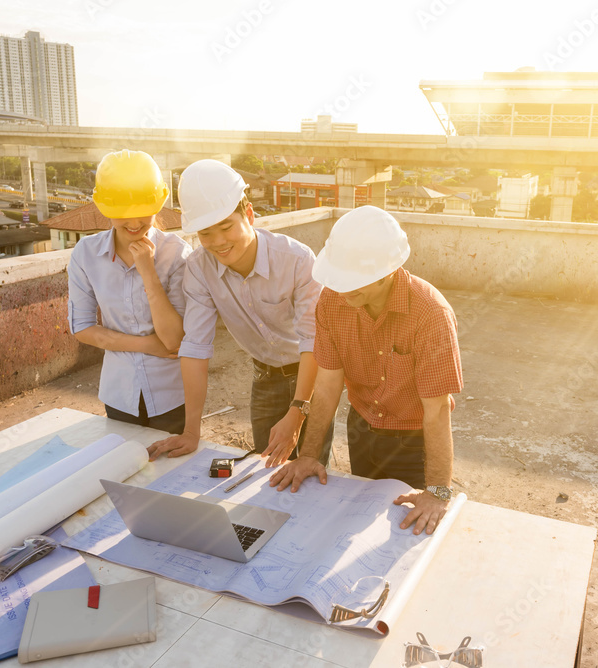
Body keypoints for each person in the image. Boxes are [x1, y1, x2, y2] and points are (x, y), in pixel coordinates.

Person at [269, 206, 463, 535]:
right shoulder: (331, 301)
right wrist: (309, 455)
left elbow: (436, 410)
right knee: (361, 528)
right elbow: (328, 385)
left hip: (413, 444)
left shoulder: (430, 314)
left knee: (405, 534)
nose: (343, 291)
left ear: (389, 270)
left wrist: (438, 492)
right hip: (361, 430)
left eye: (354, 282)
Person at [147, 159, 332, 465]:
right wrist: (191, 431)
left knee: (311, 468)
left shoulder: (297, 261)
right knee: (266, 470)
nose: (218, 242)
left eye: (226, 226)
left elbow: (313, 342)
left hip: (313, 372)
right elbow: (195, 347)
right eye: (205, 234)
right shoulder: (198, 269)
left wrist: (298, 412)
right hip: (265, 376)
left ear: (249, 214)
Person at [67, 149, 192, 434]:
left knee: (172, 474)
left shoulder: (176, 254)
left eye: (143, 215)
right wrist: (147, 344)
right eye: (124, 216)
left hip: (172, 393)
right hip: (118, 393)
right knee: (123, 470)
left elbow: (173, 339)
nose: (135, 224)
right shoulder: (86, 254)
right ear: (106, 208)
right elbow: (82, 328)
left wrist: (148, 271)